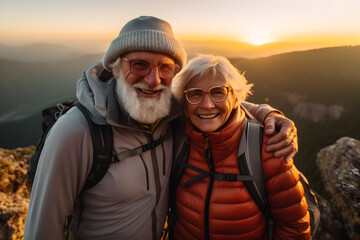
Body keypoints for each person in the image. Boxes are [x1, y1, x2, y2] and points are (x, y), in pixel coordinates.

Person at [24, 16, 299, 240]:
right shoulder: (77, 132)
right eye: (140, 64)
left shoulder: (169, 113)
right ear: (117, 68)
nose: (153, 79)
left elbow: (214, 105)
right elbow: (41, 231)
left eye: (165, 67)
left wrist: (270, 115)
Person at [170, 54, 310, 240]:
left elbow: (294, 228)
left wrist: (268, 113)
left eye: (218, 92)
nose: (207, 105)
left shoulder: (267, 147)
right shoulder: (177, 139)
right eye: (195, 93)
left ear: (235, 97)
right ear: (184, 102)